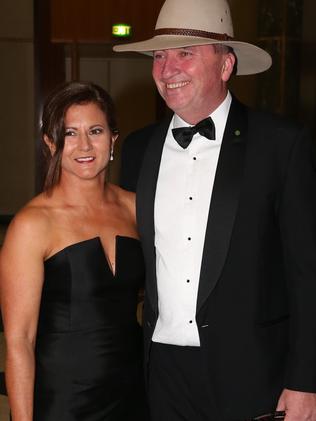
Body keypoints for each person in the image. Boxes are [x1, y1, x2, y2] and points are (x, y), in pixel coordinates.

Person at [114, 0, 316, 420]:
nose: (167, 69)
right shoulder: (137, 150)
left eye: (184, 53)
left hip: (254, 376)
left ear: (226, 66)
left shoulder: (281, 145)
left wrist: (305, 382)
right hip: (163, 377)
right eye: (159, 55)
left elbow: (307, 274)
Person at [0, 81, 148, 420]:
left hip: (133, 391)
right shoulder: (32, 224)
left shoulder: (136, 208)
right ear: (51, 144)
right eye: (70, 133)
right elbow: (20, 342)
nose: (84, 144)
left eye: (95, 130)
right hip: (63, 399)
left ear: (112, 138)